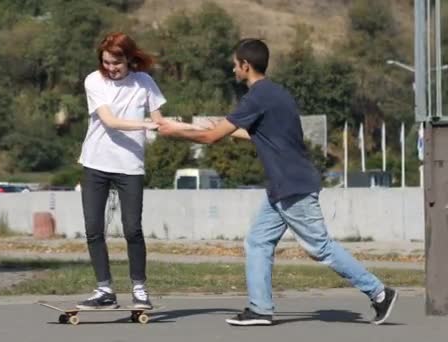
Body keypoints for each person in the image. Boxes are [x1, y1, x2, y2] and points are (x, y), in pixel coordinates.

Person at [158, 38, 398, 326]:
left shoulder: (256, 97)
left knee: (319, 247)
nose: (233, 69)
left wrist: (175, 131)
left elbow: (211, 138)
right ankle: (260, 309)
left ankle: (379, 292)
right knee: (258, 242)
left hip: (292, 185)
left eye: (235, 65)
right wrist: (217, 128)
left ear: (246, 66)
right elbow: (262, 135)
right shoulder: (276, 93)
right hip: (283, 187)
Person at [76, 32, 172, 310]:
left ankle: (140, 290)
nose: (111, 68)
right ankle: (104, 290)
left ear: (129, 59)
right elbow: (109, 121)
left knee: (132, 229)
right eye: (106, 62)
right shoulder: (94, 81)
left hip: (129, 166)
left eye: (116, 63)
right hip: (95, 163)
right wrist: (145, 126)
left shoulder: (145, 83)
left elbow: (159, 121)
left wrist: (188, 130)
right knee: (94, 229)